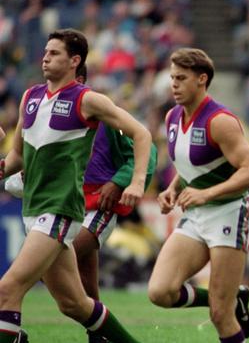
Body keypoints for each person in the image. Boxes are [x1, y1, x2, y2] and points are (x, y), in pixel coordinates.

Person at [0, 28, 152, 343]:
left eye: (54, 53)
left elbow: (142, 134)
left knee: (7, 289)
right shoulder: (30, 96)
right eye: (45, 51)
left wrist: (136, 181)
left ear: (75, 60)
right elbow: (16, 155)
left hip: (60, 209)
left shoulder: (87, 99)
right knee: (74, 304)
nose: (45, 57)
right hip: (34, 209)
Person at [147, 48, 249, 343]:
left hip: (229, 211)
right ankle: (231, 297)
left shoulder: (220, 121)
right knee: (160, 292)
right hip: (197, 215)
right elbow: (192, 163)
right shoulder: (172, 116)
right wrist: (173, 188)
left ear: (202, 79)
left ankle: (225, 302)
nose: (173, 84)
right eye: (172, 77)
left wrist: (206, 193)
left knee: (219, 314)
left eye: (181, 78)